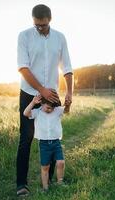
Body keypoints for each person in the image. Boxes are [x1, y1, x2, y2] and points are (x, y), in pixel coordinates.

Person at [16, 4, 73, 197]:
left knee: (50, 134)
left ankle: (51, 176)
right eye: (37, 25)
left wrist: (70, 94)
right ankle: (21, 184)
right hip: (29, 92)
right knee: (26, 138)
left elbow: (67, 68)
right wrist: (41, 91)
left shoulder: (60, 37)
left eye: (43, 25)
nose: (40, 28)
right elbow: (23, 68)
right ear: (33, 21)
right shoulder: (24, 36)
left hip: (53, 94)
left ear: (50, 20)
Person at [23, 94, 69, 192]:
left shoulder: (56, 111)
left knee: (61, 162)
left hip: (56, 142)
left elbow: (66, 110)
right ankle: (45, 188)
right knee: (45, 166)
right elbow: (25, 113)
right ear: (42, 103)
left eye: (52, 108)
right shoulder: (37, 112)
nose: (50, 110)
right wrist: (33, 102)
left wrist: (68, 103)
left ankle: (60, 183)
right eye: (48, 107)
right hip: (44, 144)